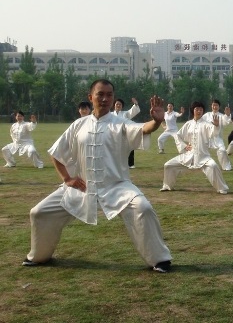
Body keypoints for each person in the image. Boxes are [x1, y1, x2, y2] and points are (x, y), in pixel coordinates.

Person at [22, 79, 172, 273]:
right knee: (39, 212)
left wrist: (157, 121)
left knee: (143, 208)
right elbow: (56, 153)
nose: (105, 99)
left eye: (109, 95)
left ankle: (160, 260)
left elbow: (143, 129)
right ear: (90, 97)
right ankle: (39, 256)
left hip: (117, 186)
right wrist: (67, 179)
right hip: (82, 187)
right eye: (100, 94)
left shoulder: (121, 123)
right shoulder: (79, 125)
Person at [160, 102, 229, 194]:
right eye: (197, 109)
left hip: (203, 156)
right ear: (193, 110)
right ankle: (167, 186)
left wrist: (216, 126)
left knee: (213, 166)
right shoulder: (188, 124)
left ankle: (222, 188)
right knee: (168, 165)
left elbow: (214, 134)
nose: (199, 111)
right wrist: (184, 146)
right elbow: (178, 136)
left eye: (201, 109)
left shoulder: (206, 124)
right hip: (188, 156)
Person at [201, 99, 233, 171]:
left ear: (219, 107)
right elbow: (200, 123)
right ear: (211, 106)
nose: (215, 107)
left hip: (217, 138)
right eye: (213, 105)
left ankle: (226, 166)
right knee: (199, 149)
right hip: (206, 138)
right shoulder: (207, 115)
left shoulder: (222, 116)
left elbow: (226, 122)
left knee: (222, 150)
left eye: (216, 105)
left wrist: (227, 115)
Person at [113, 97, 140, 168]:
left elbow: (133, 111)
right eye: (117, 104)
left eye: (120, 104)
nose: (118, 106)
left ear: (122, 106)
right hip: (114, 134)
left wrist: (135, 104)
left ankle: (131, 164)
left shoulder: (125, 114)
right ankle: (116, 164)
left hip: (125, 133)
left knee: (130, 147)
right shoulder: (110, 114)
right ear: (114, 105)